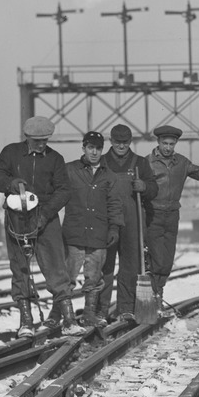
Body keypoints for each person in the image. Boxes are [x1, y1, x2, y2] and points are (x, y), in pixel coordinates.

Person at [0, 115, 75, 333]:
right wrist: (10, 183)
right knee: (20, 269)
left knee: (56, 268)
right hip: (17, 220)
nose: (41, 144)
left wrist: (45, 214)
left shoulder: (55, 159)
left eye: (45, 140)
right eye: (37, 140)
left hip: (46, 219)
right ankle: (25, 322)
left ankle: (69, 320)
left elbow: (64, 189)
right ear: (26, 137)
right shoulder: (10, 153)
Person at [145, 124, 199, 310]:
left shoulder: (182, 162)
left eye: (172, 144)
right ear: (158, 142)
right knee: (156, 257)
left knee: (167, 259)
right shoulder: (146, 162)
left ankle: (158, 291)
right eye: (165, 143)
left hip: (172, 215)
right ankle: (154, 297)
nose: (168, 147)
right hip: (152, 215)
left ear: (176, 143)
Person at [62, 131, 124, 329]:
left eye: (98, 148)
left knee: (94, 278)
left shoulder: (109, 176)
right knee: (67, 278)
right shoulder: (69, 170)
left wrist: (114, 227)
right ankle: (67, 318)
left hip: (98, 235)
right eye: (90, 148)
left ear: (102, 150)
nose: (94, 152)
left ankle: (89, 315)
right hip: (74, 234)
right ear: (83, 148)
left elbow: (114, 203)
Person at [101, 124, 158, 321]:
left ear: (130, 142)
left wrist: (145, 187)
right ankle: (101, 310)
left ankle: (125, 308)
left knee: (130, 265)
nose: (121, 146)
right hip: (106, 221)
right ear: (111, 141)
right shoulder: (102, 162)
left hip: (133, 220)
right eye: (117, 142)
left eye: (125, 142)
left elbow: (154, 188)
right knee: (104, 266)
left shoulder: (140, 163)